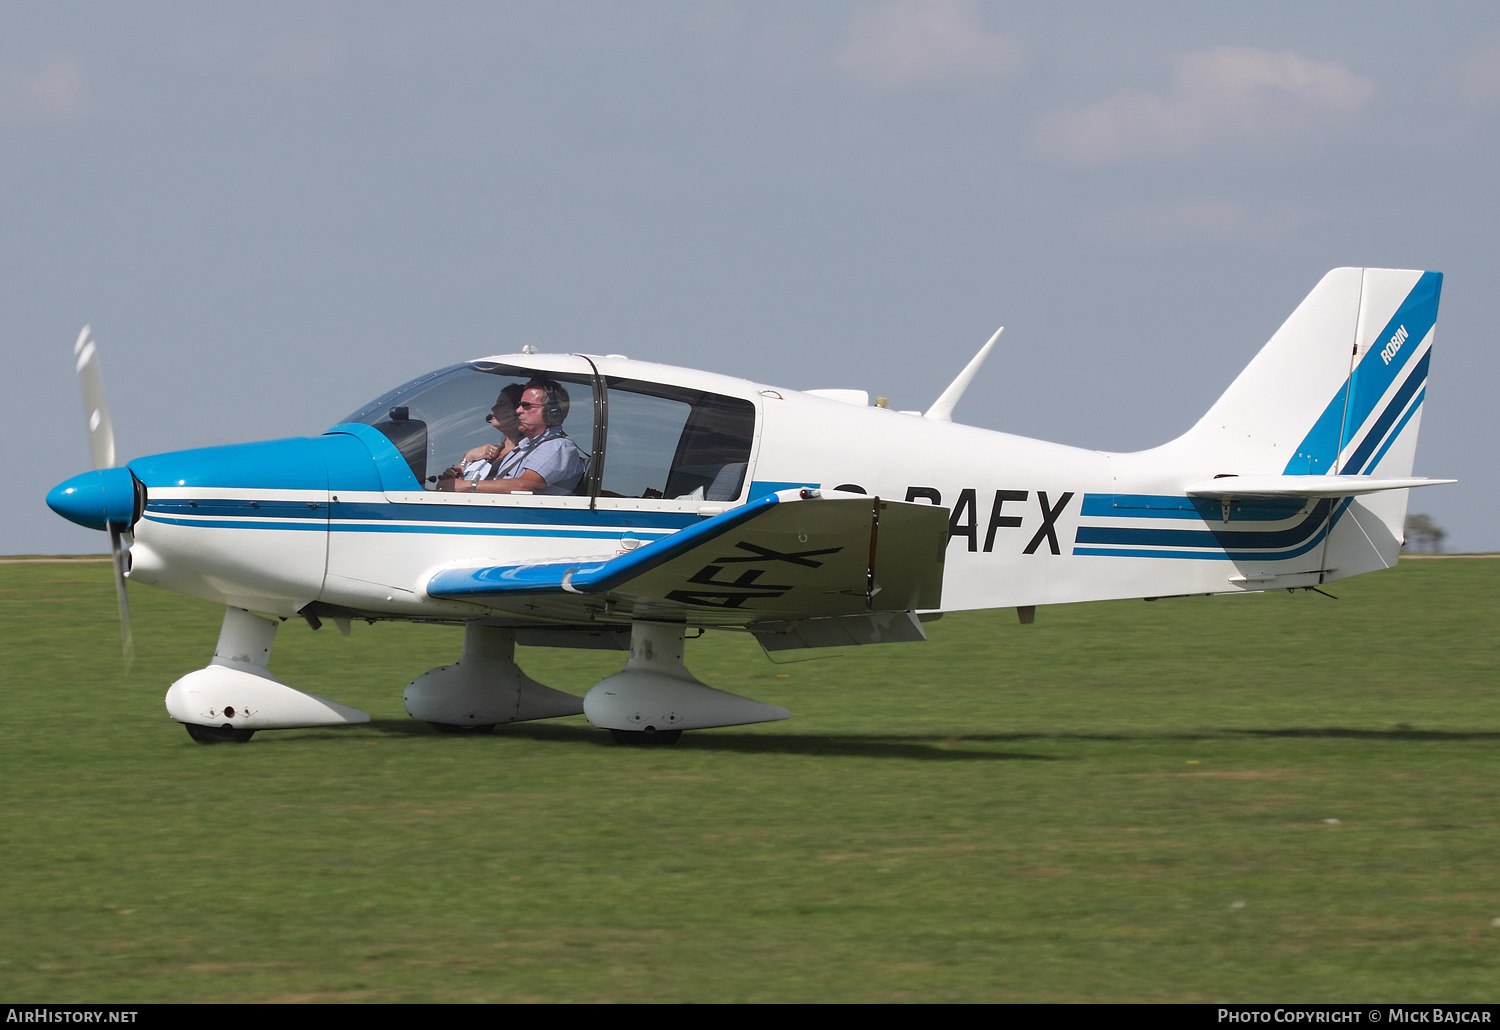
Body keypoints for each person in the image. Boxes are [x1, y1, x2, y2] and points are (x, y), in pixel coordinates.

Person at [438, 379, 586, 495]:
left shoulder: (556, 446)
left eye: (526, 406)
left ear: (551, 413)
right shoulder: (526, 447)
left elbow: (523, 485)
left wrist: (465, 486)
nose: (519, 410)